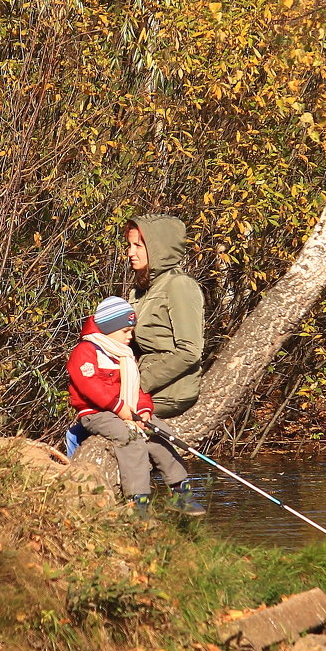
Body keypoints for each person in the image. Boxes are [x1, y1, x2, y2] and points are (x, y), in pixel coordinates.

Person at [67, 296, 206, 517]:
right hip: (97, 412)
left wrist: (143, 410)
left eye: (131, 330)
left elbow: (138, 388)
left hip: (127, 410)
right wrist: (119, 408)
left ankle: (180, 490)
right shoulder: (86, 351)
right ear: (108, 328)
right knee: (129, 438)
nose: (130, 336)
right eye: (125, 331)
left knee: (161, 433)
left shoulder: (124, 355)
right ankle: (138, 499)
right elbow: (90, 386)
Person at [125, 215, 205, 418]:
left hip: (171, 393)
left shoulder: (179, 285)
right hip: (145, 387)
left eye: (138, 246)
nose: (130, 253)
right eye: (129, 245)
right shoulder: (140, 290)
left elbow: (189, 352)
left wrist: (140, 382)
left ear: (158, 248)